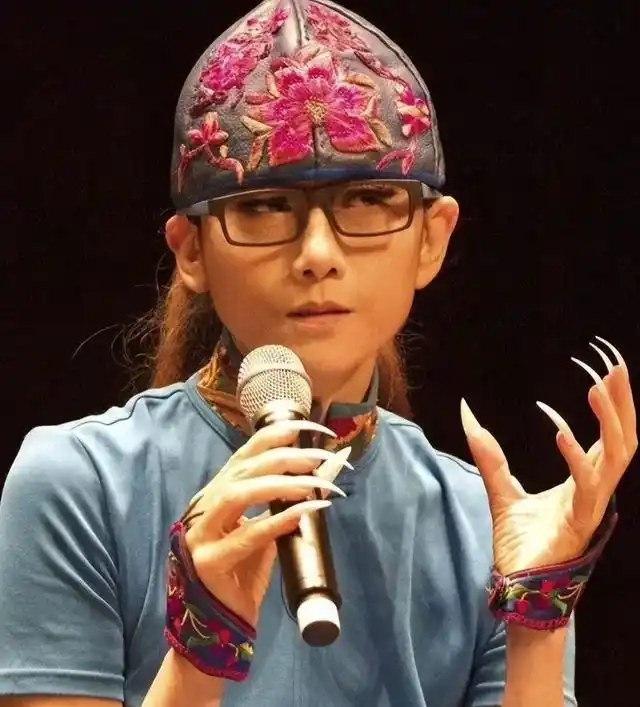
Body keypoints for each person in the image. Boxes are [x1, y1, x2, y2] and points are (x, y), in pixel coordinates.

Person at [0, 1, 635, 706]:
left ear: (432, 238)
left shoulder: (488, 527)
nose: (318, 254)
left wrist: (538, 618)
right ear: (191, 251)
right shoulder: (80, 487)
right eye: (263, 207)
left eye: (368, 199)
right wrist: (204, 646)